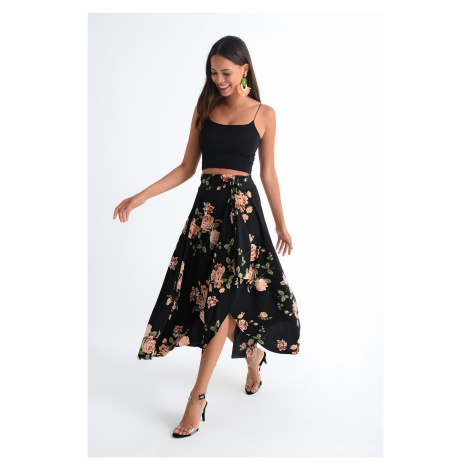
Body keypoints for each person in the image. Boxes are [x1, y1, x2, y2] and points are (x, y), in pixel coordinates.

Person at [113, 36, 300, 438]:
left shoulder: (264, 114)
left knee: (219, 302)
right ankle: (252, 354)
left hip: (243, 218)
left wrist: (281, 223)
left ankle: (197, 398)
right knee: (214, 302)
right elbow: (186, 168)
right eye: (213, 73)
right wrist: (141, 196)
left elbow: (268, 173)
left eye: (226, 73)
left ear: (245, 69)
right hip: (207, 218)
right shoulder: (204, 109)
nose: (219, 80)